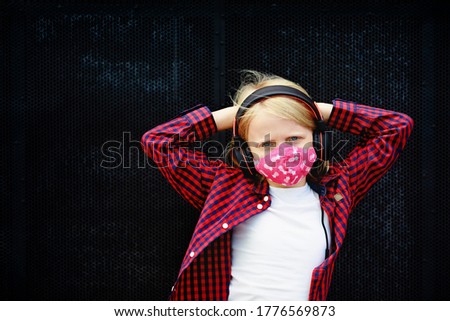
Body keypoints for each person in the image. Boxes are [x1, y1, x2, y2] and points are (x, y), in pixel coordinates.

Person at [140, 70, 413, 300]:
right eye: (266, 144)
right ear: (246, 151)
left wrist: (307, 107)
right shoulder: (222, 188)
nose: (283, 151)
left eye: (294, 137)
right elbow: (159, 141)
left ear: (318, 139)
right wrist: (244, 113)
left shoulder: (340, 188)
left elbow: (395, 127)